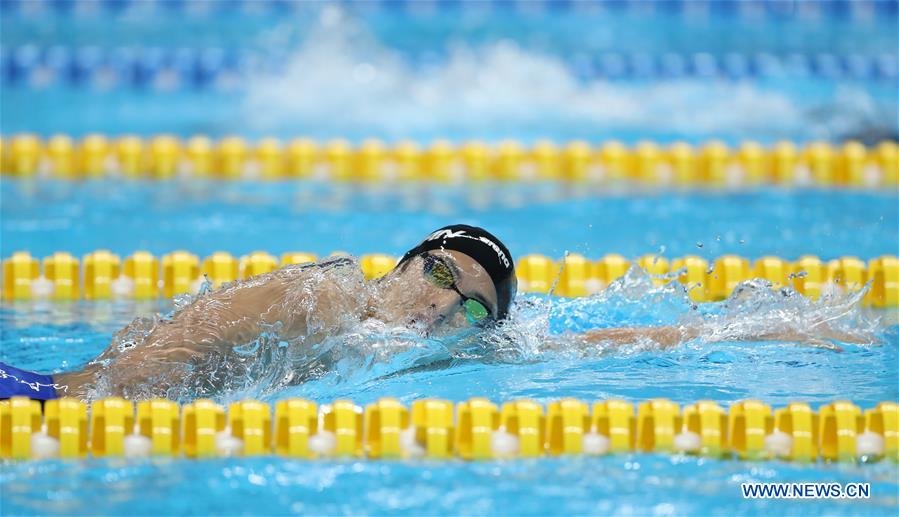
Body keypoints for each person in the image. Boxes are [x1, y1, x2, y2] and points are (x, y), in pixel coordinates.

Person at [0, 224, 868, 402]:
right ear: (406, 261)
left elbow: (594, 341)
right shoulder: (325, 294)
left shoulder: (432, 356)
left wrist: (752, 325)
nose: (439, 304)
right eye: (440, 273)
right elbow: (142, 373)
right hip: (41, 400)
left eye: (467, 307)